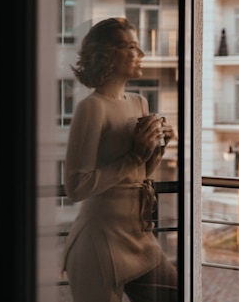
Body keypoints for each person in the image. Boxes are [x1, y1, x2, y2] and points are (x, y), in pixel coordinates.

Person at [62, 17, 178, 302]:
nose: (142, 55)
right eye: (131, 47)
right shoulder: (91, 108)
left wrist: (158, 147)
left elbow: (140, 174)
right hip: (98, 242)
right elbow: (76, 187)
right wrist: (136, 154)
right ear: (107, 55)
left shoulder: (139, 101)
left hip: (137, 236)